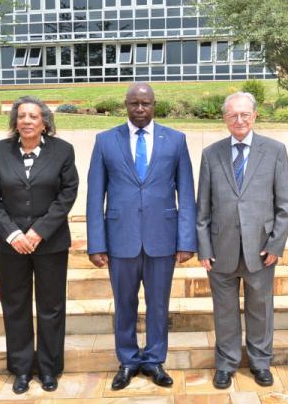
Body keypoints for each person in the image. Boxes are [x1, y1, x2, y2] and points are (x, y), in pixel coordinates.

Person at [86, 83, 196, 390]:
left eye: (145, 103)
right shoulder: (106, 140)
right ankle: (128, 360)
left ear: (154, 105)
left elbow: (186, 193)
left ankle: (154, 360)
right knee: (124, 303)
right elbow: (96, 196)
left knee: (158, 303)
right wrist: (96, 243)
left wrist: (186, 240)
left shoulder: (175, 140)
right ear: (126, 105)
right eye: (134, 103)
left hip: (163, 237)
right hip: (120, 238)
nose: (140, 109)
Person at [0, 96, 78, 394]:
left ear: (44, 122)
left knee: (51, 307)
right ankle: (21, 368)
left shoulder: (63, 151)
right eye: (21, 116)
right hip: (12, 246)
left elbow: (68, 193)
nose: (26, 121)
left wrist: (39, 231)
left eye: (33, 116)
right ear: (15, 121)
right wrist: (13, 234)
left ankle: (49, 368)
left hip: (50, 244)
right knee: (16, 307)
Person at [196, 92, 288, 389]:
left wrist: (276, 244)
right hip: (220, 249)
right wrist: (204, 248)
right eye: (232, 115)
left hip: (261, 248)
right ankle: (225, 364)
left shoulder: (275, 151)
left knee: (260, 308)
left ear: (255, 116)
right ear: (224, 119)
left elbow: (284, 204)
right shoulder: (211, 154)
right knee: (224, 311)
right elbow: (203, 208)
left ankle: (261, 362)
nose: (239, 120)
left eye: (244, 114)